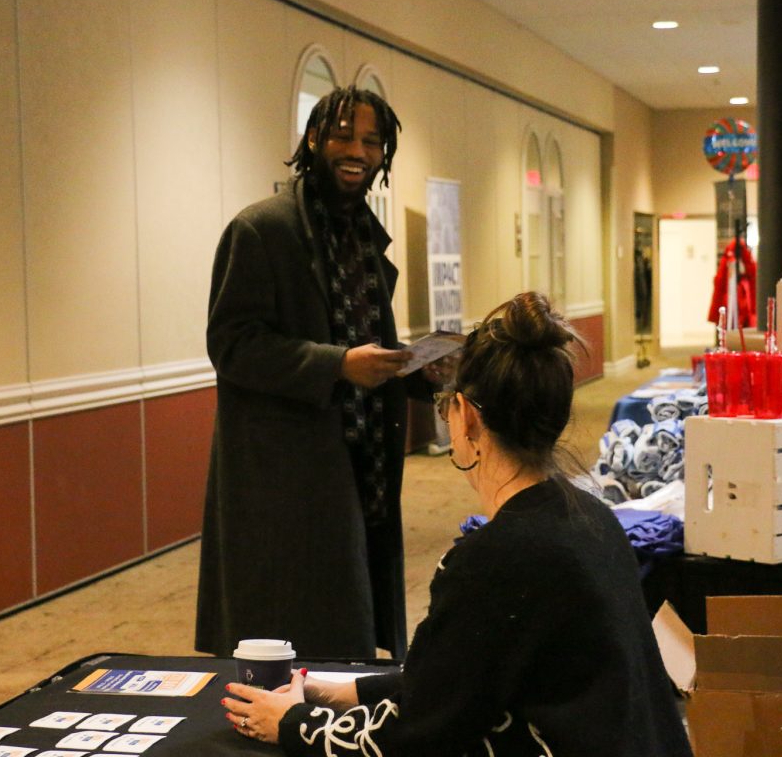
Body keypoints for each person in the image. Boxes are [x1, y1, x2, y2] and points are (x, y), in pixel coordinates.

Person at [221, 292, 693, 756]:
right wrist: (334, 692)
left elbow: (418, 737)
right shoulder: (592, 517)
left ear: (464, 417)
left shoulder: (494, 558)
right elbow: (457, 678)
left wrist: (293, 723)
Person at [195, 86, 446, 661]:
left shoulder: (363, 235)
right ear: (313, 139)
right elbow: (232, 344)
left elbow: (364, 343)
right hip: (285, 474)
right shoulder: (261, 229)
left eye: (372, 141)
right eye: (343, 136)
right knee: (289, 629)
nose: (358, 151)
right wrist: (337, 365)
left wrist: (418, 370)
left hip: (361, 463)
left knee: (347, 619)